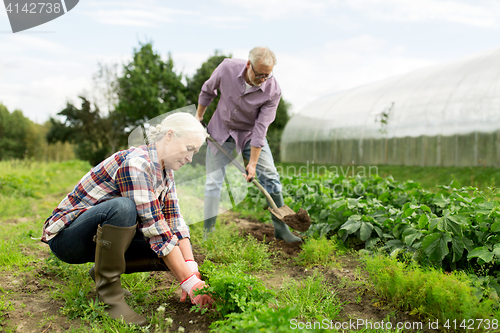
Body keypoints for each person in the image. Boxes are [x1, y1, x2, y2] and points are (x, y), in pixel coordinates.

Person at [41, 112, 214, 326]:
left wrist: (192, 272)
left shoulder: (166, 172)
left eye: (194, 152)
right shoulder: (137, 163)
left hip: (97, 238)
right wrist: (188, 282)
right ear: (169, 136)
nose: (190, 158)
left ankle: (102, 272)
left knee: (172, 250)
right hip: (67, 239)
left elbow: (174, 222)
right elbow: (156, 230)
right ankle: (109, 297)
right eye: (189, 149)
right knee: (124, 208)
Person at [195, 46, 301, 243]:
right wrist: (199, 116)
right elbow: (208, 90)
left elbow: (261, 129)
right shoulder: (227, 68)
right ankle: (208, 233)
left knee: (270, 177)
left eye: (267, 76)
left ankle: (282, 229)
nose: (263, 79)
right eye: (259, 74)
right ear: (248, 65)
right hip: (222, 130)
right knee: (213, 182)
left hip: (250, 135)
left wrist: (252, 163)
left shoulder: (273, 90)